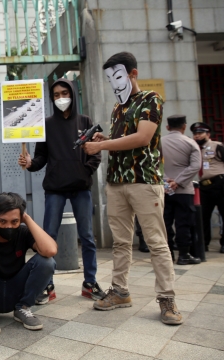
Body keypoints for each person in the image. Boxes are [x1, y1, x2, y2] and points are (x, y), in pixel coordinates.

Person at [83, 52, 183, 325]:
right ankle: (120, 290)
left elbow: (142, 137)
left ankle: (167, 298)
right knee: (121, 242)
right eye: (109, 79)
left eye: (117, 76)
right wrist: (108, 137)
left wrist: (101, 145)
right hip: (116, 183)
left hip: (144, 181)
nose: (114, 83)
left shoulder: (151, 99)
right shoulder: (118, 107)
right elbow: (124, 138)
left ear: (132, 74)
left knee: (156, 243)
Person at [18, 78, 105, 303]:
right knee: (48, 237)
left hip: (81, 188)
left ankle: (90, 283)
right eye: (56, 95)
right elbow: (41, 159)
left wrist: (83, 171)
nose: (60, 98)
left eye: (64, 93)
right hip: (55, 189)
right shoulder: (45, 124)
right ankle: (47, 286)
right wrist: (29, 163)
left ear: (72, 94)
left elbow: (95, 153)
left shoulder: (86, 121)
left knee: (87, 237)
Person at [0, 193, 57, 335]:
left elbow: (50, 250)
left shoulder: (23, 232)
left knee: (46, 261)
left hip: (16, 292)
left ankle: (23, 308)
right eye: (2, 221)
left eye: (14, 221)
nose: (9, 226)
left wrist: (27, 218)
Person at [161, 115, 202, 264]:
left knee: (165, 223)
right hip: (184, 191)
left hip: (164, 190)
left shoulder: (158, 143)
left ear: (167, 127)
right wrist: (178, 182)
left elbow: (152, 165)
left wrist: (167, 182)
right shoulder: (190, 143)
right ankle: (184, 255)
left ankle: (167, 255)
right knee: (183, 223)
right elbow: (195, 166)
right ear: (184, 126)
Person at [191, 122, 224, 254]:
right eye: (195, 134)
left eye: (200, 133)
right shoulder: (194, 149)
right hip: (204, 187)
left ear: (208, 134)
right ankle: (203, 244)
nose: (197, 136)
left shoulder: (217, 146)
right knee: (202, 216)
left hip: (220, 183)